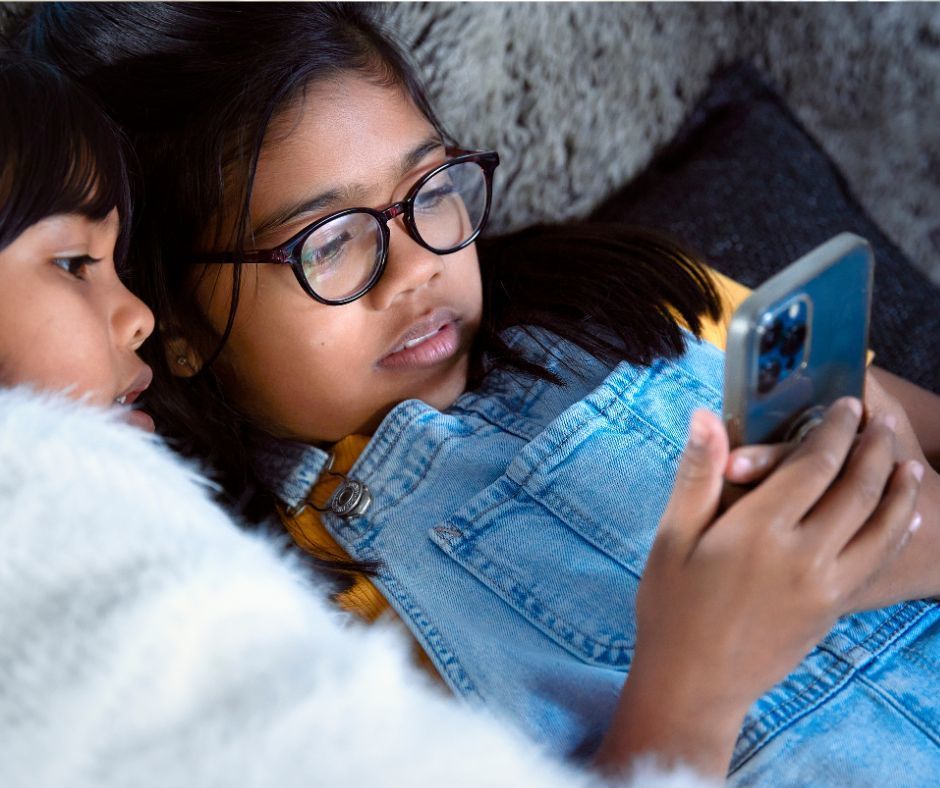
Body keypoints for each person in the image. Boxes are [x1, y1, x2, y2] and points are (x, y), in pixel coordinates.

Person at [18, 4, 940, 781]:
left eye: (431, 188)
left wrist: (898, 521)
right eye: (329, 241)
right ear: (169, 319)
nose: (419, 263)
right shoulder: (287, 616)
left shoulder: (633, 299)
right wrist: (692, 682)